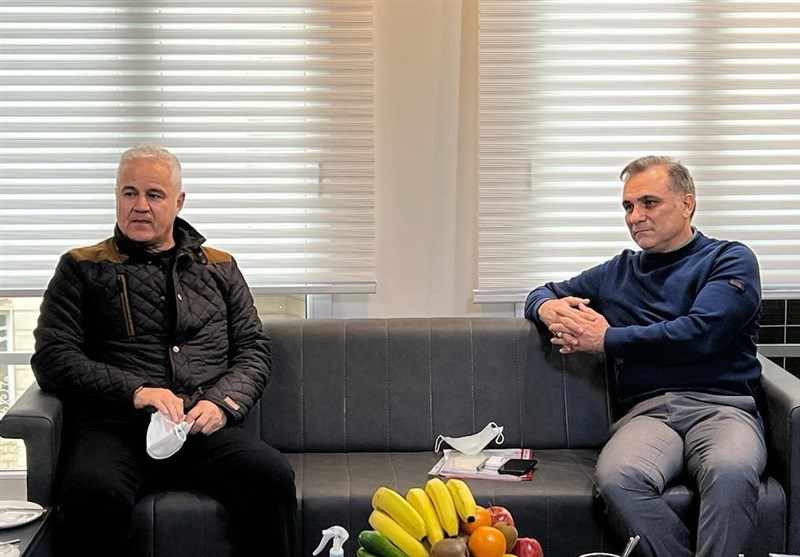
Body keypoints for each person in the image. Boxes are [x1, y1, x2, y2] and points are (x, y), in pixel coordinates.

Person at [31, 144, 298, 557]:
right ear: (117, 196)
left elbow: (253, 348)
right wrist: (136, 390)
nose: (140, 206)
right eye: (129, 193)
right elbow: (53, 357)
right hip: (114, 428)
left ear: (179, 201)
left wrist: (222, 404)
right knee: (91, 491)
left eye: (154, 194)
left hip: (201, 425)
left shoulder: (220, 266)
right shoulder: (81, 266)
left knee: (271, 475)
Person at [524, 156, 766, 557]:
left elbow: (700, 334)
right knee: (619, 479)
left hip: (722, 407)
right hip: (649, 414)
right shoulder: (617, 272)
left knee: (731, 472)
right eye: (628, 206)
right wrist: (547, 308)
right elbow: (541, 292)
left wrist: (607, 339)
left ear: (687, 204)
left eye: (649, 203)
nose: (635, 217)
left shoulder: (729, 259)